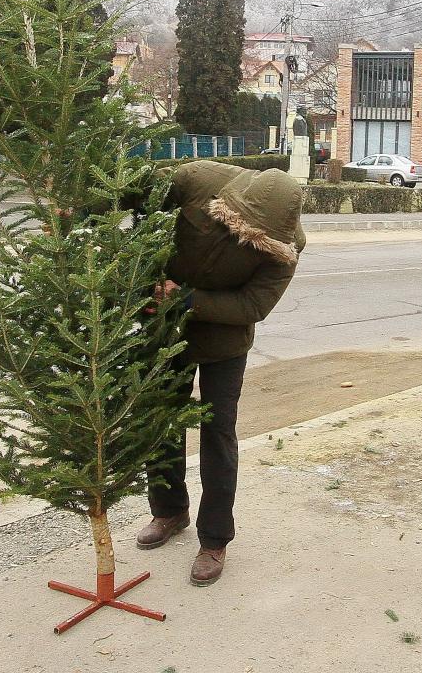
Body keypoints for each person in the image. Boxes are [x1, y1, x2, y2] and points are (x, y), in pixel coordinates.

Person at [137, 160, 306, 587]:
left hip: (224, 341)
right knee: (160, 419)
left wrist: (188, 299)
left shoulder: (285, 246)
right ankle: (169, 511)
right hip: (160, 323)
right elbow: (134, 193)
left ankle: (214, 538)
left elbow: (253, 306)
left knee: (218, 432)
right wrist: (81, 211)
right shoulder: (198, 181)